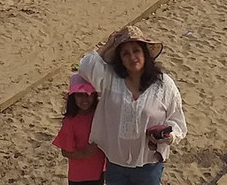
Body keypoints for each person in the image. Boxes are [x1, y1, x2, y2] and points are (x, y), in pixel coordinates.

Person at [78, 25, 187, 185]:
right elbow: (85, 68)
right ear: (120, 59)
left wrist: (168, 137)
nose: (132, 57)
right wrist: (108, 45)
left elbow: (177, 121)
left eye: (136, 50)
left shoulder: (164, 85)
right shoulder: (110, 80)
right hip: (115, 165)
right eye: (125, 53)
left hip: (148, 166)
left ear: (145, 53)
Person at [53, 73, 106, 185]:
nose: (84, 99)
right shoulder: (70, 121)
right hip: (79, 176)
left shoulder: (99, 114)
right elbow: (65, 151)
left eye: (88, 94)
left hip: (100, 172)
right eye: (79, 95)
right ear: (73, 97)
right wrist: (84, 154)